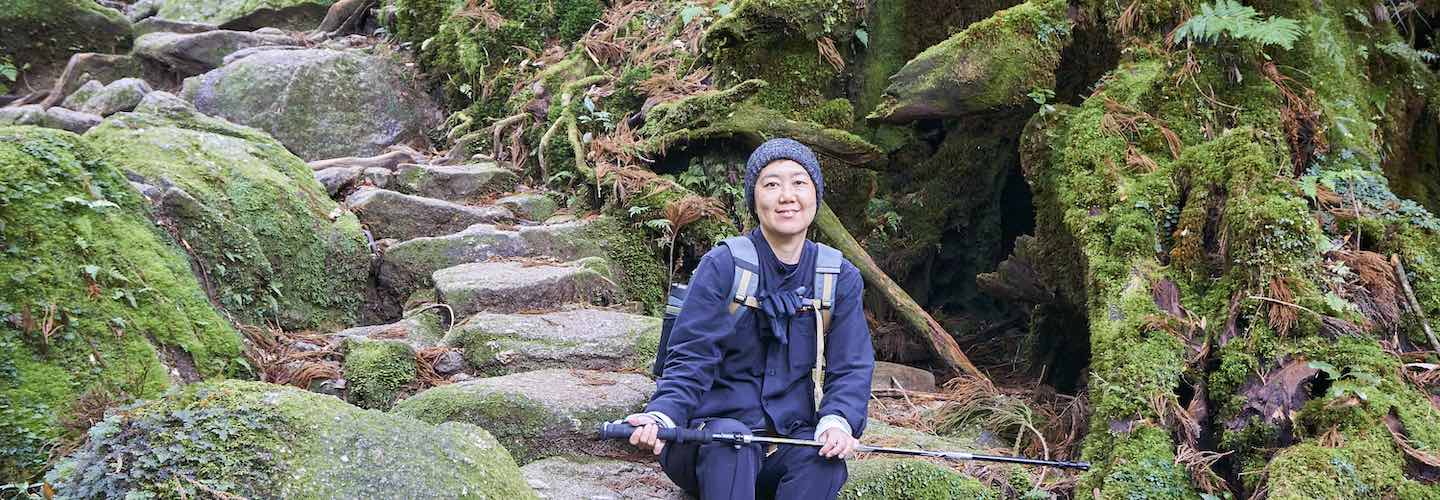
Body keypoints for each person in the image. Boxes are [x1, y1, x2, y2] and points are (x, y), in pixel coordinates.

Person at [624, 138, 875, 499]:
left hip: (785, 443)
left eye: (799, 183)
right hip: (708, 443)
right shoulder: (724, 265)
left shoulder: (839, 277)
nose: (787, 195)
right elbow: (689, 358)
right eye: (772, 184)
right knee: (732, 443)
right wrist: (662, 415)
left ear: (815, 195)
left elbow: (851, 366)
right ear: (754, 199)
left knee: (822, 461)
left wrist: (837, 421)